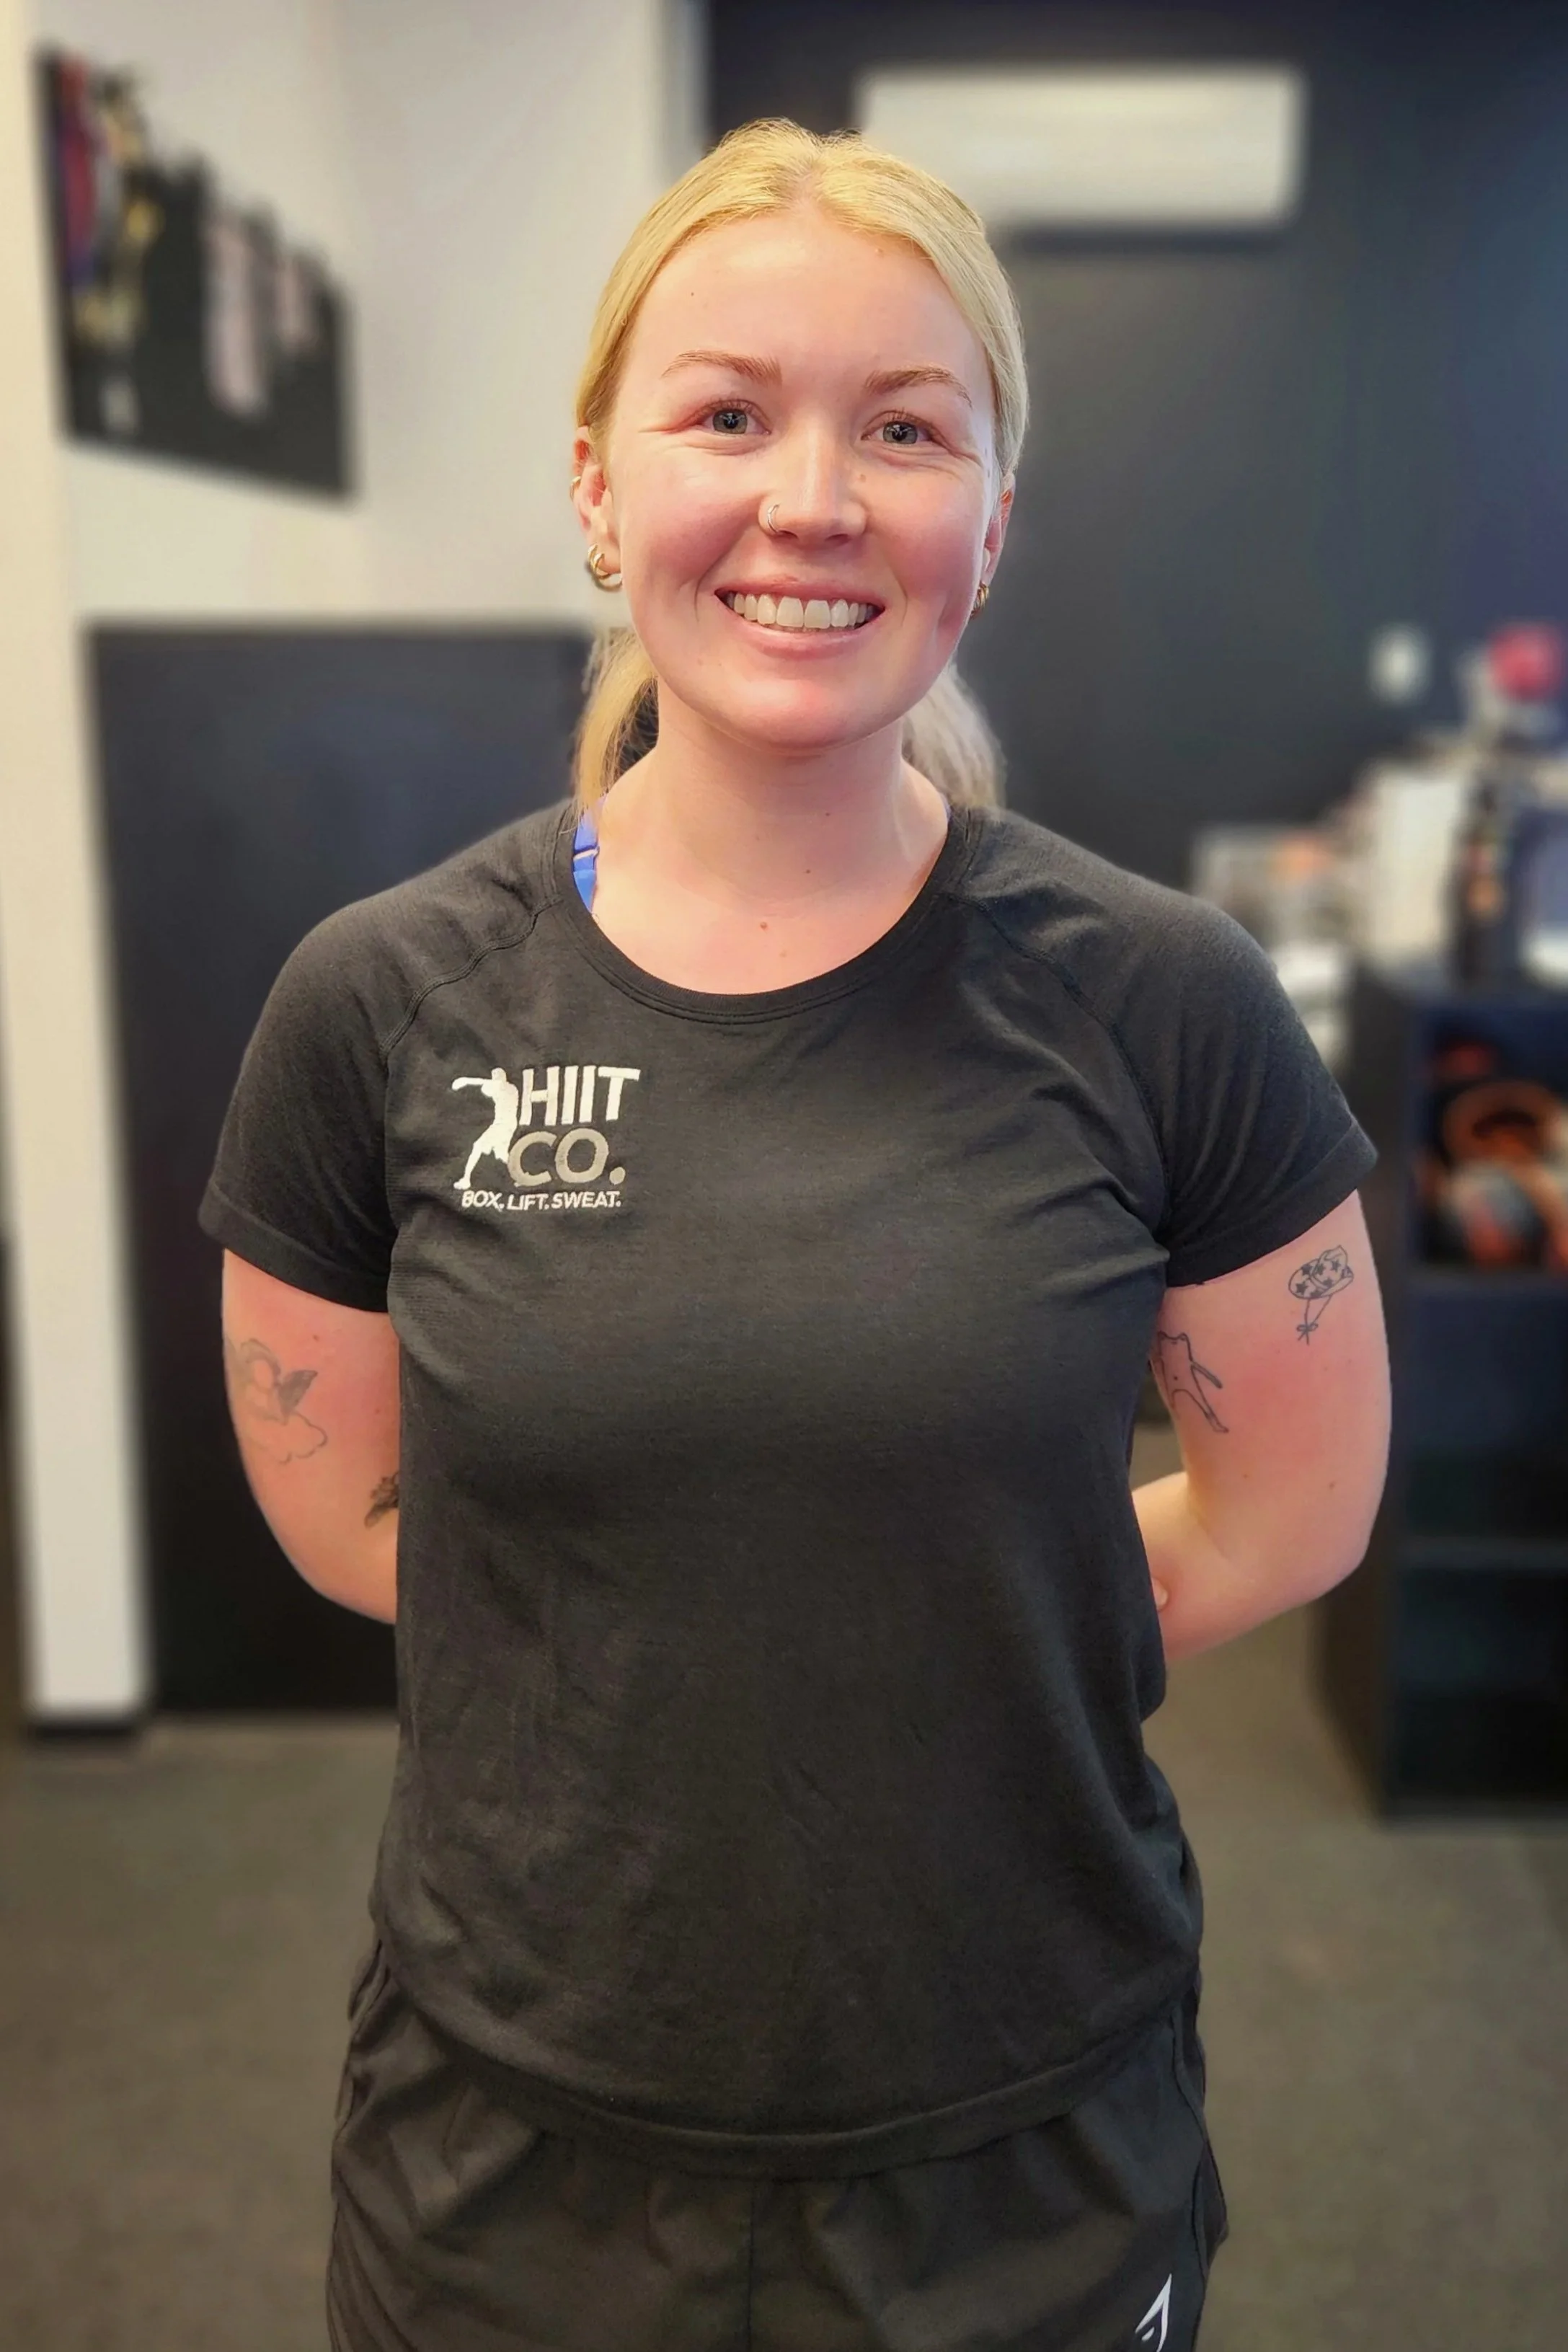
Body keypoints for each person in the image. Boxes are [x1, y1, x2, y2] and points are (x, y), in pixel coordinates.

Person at [200, 117, 1389, 2352]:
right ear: (596, 487)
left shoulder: (1163, 1004)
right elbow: (352, 1509)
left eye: (905, 429)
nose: (813, 496)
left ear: (990, 522)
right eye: (728, 414)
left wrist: (959, 1600)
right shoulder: (377, 1002)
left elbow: (1290, 1508)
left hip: (1015, 2153)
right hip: (512, 2158)